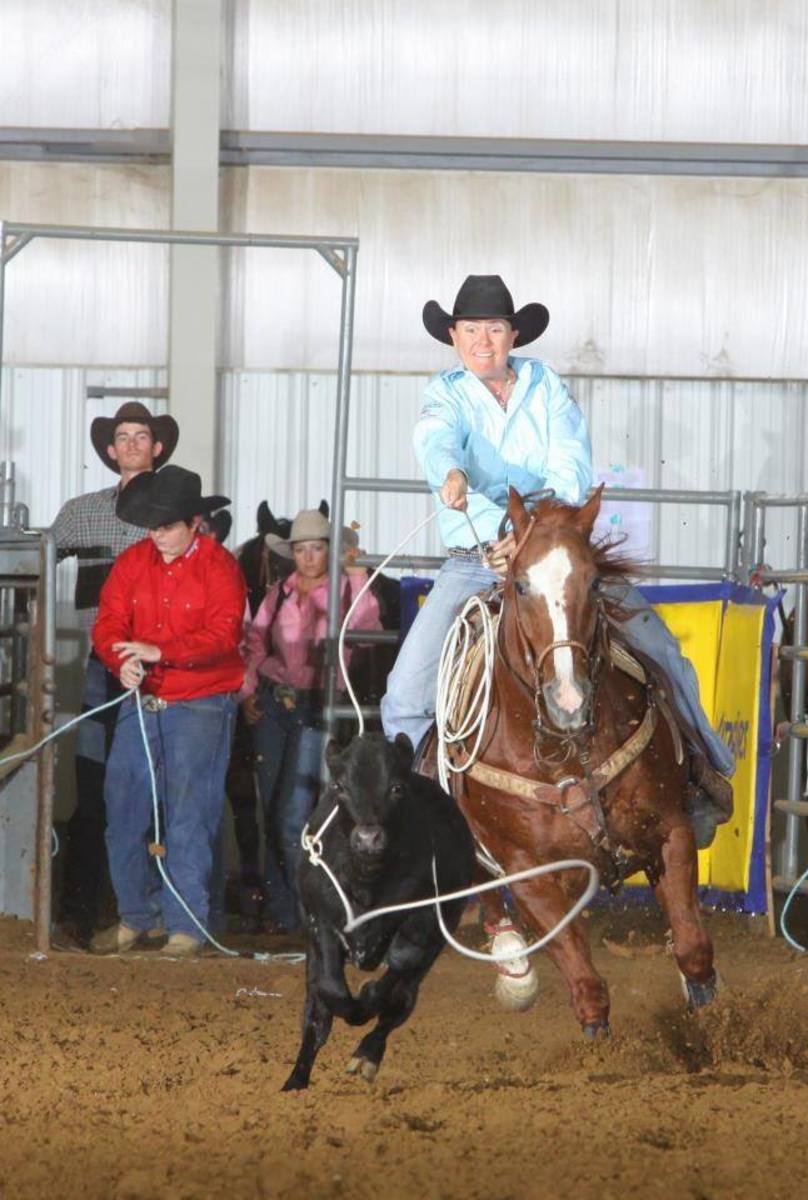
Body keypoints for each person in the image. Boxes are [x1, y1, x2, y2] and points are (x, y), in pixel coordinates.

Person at [380, 274, 734, 810]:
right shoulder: (443, 395)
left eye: (494, 328)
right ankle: (408, 812)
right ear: (453, 336)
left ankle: (707, 771)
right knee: (405, 692)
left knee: (659, 647)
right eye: (471, 329)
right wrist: (450, 472)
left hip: (553, 552)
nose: (483, 340)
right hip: (476, 562)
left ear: (513, 335)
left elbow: (569, 463)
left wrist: (523, 533)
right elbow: (435, 441)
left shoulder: (545, 385)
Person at [89, 466, 246, 957]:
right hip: (144, 699)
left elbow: (224, 637)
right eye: (152, 526)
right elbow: (109, 622)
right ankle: (137, 915)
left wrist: (160, 652)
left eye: (166, 526)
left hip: (200, 703)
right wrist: (121, 661)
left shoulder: (221, 568)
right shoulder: (134, 561)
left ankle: (185, 925)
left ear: (193, 523)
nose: (156, 535)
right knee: (123, 809)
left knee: (188, 815)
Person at [51, 400, 179, 946]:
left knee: (156, 790)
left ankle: (151, 914)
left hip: (162, 666)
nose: (130, 444)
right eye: (121, 436)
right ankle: (85, 912)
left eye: (140, 435)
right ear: (109, 450)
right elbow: (39, 559)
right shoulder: (80, 513)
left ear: (156, 447)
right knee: (96, 786)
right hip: (103, 666)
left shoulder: (176, 512)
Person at [240, 508, 382, 933]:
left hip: (317, 704)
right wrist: (250, 689)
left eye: (316, 549)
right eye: (300, 550)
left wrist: (356, 576)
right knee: (275, 808)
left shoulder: (345, 591)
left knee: (296, 812)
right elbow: (253, 640)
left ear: (328, 552)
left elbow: (366, 627)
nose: (307, 557)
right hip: (275, 703)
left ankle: (305, 913)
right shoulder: (279, 593)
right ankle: (286, 911)